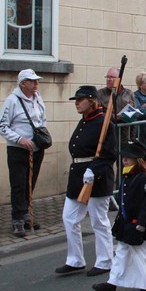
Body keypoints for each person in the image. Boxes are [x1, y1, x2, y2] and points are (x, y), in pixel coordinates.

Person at [55, 86, 117, 277]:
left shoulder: (104, 123)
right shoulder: (84, 121)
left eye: (80, 100)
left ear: (92, 101)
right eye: (76, 100)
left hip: (96, 177)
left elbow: (109, 155)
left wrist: (93, 170)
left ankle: (105, 261)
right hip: (78, 177)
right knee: (69, 218)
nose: (77, 103)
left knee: (99, 221)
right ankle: (75, 260)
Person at [92, 140, 146, 291]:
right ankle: (112, 283)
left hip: (138, 225)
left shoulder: (144, 179)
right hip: (127, 224)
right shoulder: (126, 177)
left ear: (138, 160)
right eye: (124, 157)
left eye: (129, 157)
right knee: (122, 253)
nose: (124, 160)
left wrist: (142, 224)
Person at [0, 68, 48, 237]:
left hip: (36, 149)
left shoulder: (38, 98)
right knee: (18, 184)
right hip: (18, 150)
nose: (36, 84)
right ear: (23, 84)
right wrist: (19, 139)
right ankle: (17, 218)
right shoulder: (12, 100)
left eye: (37, 81)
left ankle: (26, 214)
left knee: (30, 182)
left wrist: (40, 137)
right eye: (32, 81)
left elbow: (42, 120)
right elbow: (1, 126)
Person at [98, 66, 136, 147]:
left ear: (119, 79)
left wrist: (132, 138)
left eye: (112, 77)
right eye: (107, 77)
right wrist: (114, 117)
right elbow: (98, 114)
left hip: (125, 135)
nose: (108, 79)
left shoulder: (128, 93)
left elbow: (133, 113)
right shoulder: (100, 94)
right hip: (108, 136)